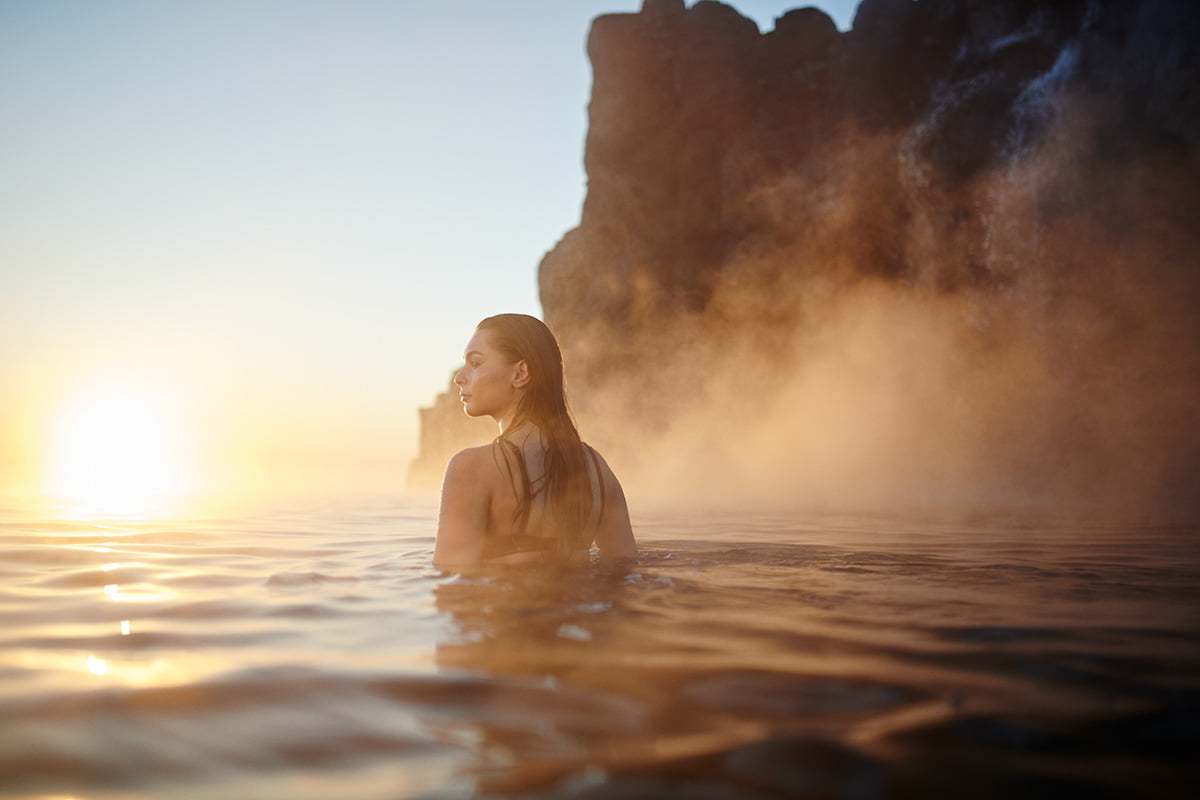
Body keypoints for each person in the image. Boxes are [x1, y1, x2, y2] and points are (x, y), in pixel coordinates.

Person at [434, 314, 637, 569]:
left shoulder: (471, 467)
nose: (460, 377)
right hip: (579, 606)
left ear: (520, 373)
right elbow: (625, 567)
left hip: (505, 606)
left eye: (475, 363)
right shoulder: (596, 468)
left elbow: (450, 583)